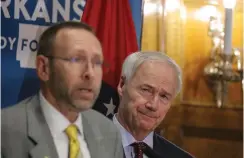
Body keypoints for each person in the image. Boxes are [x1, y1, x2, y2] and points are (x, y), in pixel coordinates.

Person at [2, 21, 123, 158]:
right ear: (44, 68)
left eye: (97, 62)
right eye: (76, 59)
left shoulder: (109, 132)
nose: (90, 73)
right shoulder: (5, 131)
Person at [114, 52, 194, 158]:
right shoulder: (87, 144)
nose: (153, 105)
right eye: (146, 90)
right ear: (122, 85)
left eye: (164, 96)